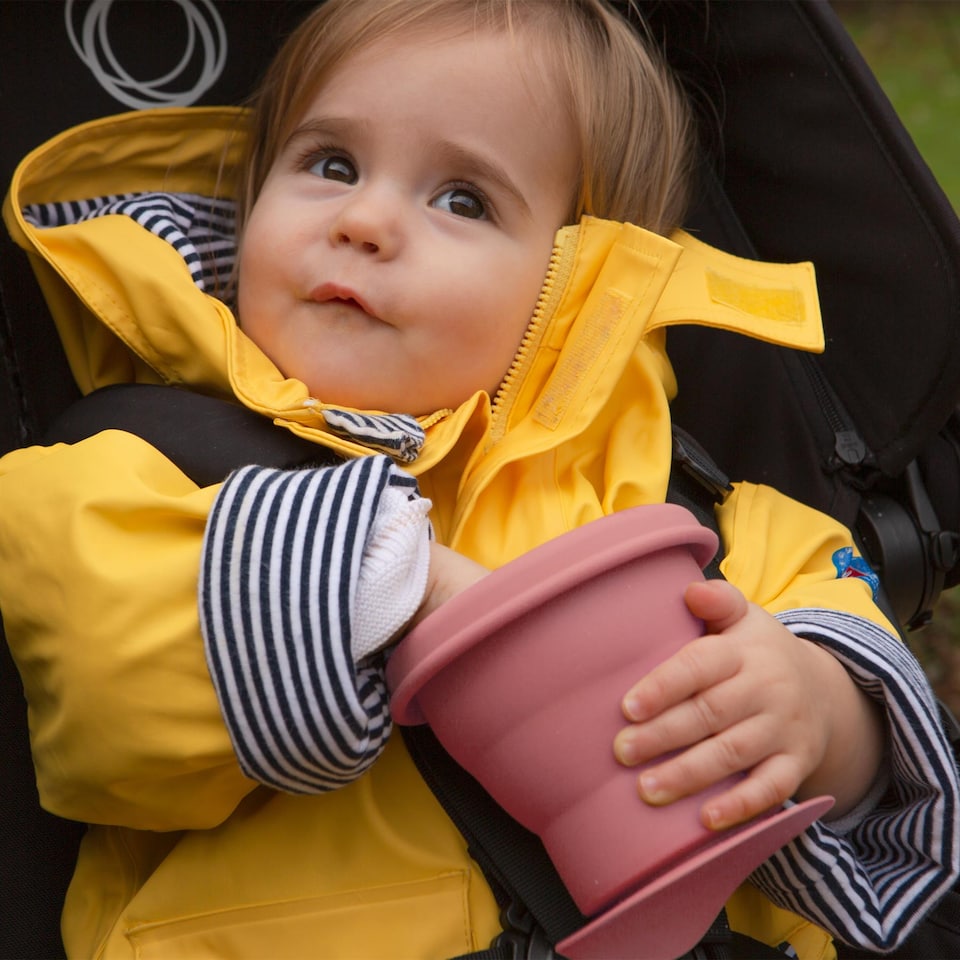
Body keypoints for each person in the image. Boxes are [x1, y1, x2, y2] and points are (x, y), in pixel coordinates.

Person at [0, 1, 956, 958]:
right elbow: (110, 691)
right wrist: (397, 583)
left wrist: (815, 711)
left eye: (462, 199)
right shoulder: (121, 472)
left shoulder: (699, 512)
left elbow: (850, 652)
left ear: (577, 281)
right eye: (329, 164)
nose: (364, 219)